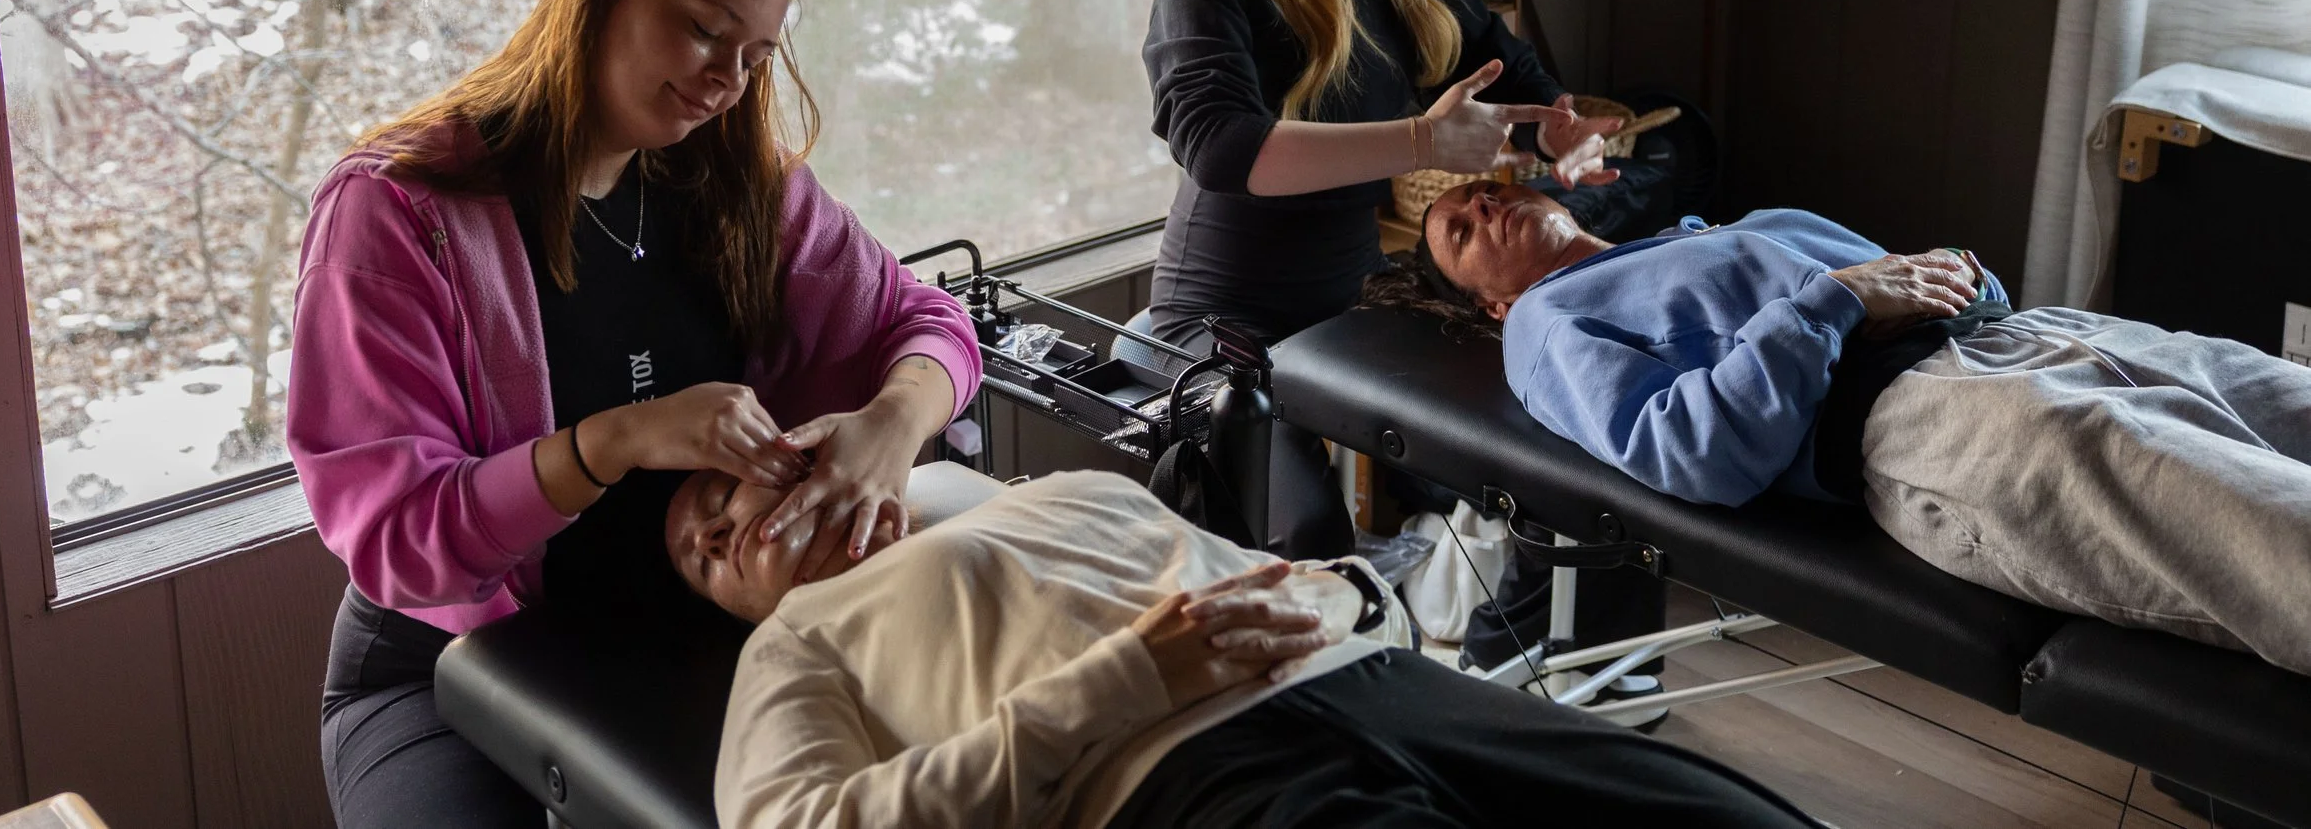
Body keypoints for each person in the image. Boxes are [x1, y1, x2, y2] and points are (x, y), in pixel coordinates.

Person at [288, 0, 984, 829]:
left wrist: (890, 428)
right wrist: (615, 441)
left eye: (755, 56)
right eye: (704, 30)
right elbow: (403, 542)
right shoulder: (401, 212)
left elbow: (929, 324)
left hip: (689, 631)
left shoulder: (739, 186)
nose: (727, 80)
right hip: (450, 662)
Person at [1413, 179, 2311, 673]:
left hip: (2039, 334)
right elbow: (1692, 450)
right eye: (1462, 229)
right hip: (1939, 416)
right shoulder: (1544, 325)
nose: (1484, 205)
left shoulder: (1720, 228)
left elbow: (1919, 278)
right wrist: (1833, 305)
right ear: (1491, 305)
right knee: (2276, 534)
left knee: (2285, 393)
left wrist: (1955, 273)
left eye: (1486, 190)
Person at [1143, 0, 1621, 557]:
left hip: (1351, 297)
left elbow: (1491, 54)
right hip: (1220, 320)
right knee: (1310, 547)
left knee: (1527, 468)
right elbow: (1219, 145)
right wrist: (1420, 140)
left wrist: (1553, 120)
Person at [669, 463, 1822, 829]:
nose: (724, 529)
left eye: (726, 494)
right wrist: (1125, 679)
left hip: (1387, 682)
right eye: (704, 554)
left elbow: (1262, 572)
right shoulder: (792, 644)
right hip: (1182, 771)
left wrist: (1353, 595)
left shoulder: (1041, 488)